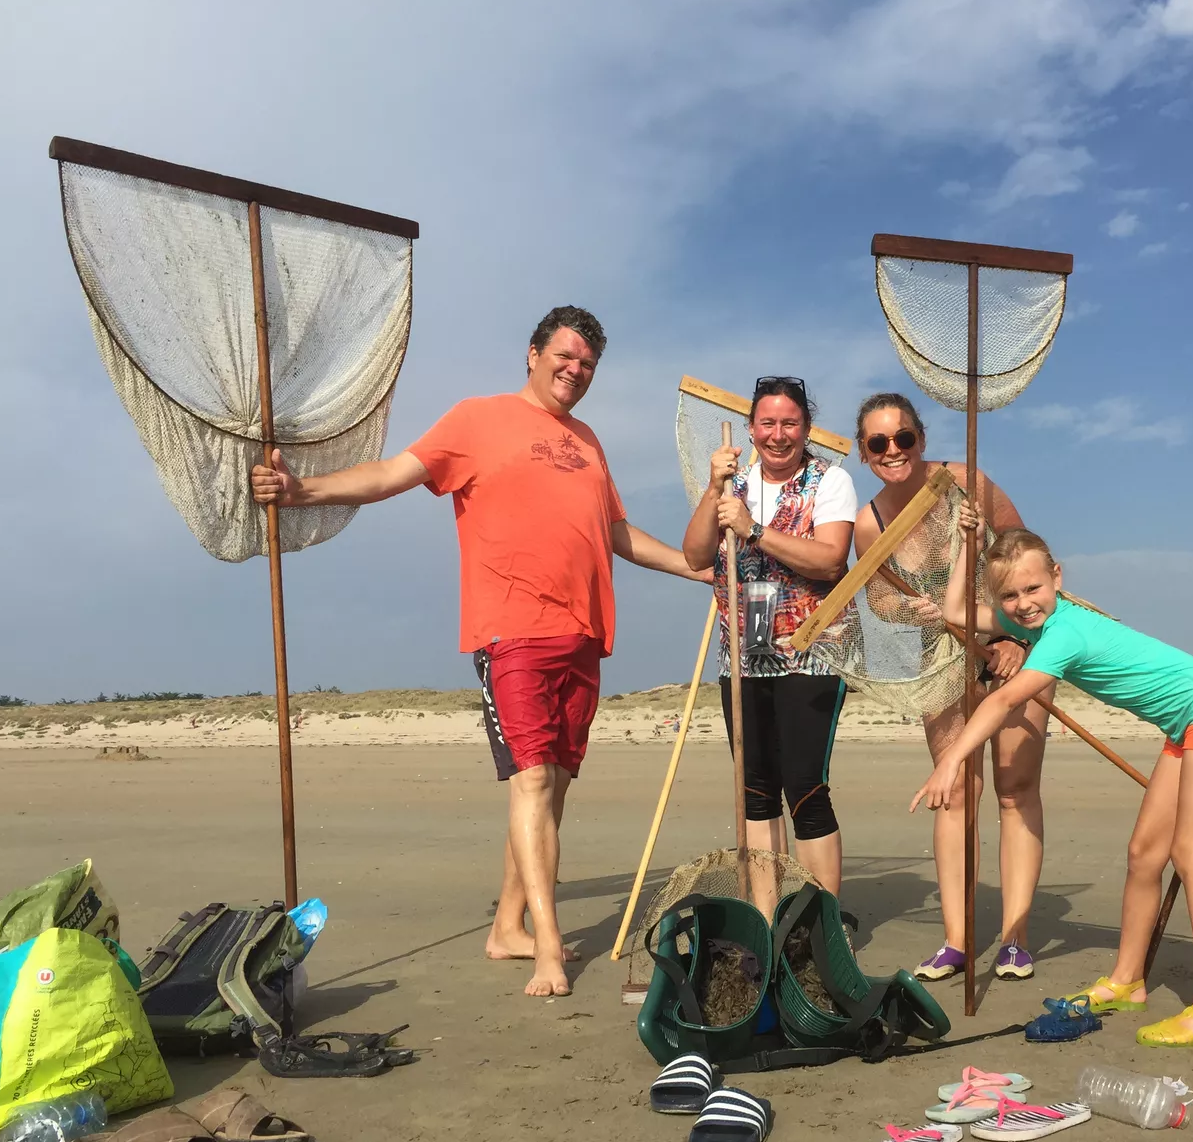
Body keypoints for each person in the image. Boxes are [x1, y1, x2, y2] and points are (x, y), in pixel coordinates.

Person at [249, 306, 708, 998]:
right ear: (531, 354)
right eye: (564, 355)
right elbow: (389, 475)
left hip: (582, 634)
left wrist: (692, 569)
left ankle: (508, 927)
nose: (575, 370)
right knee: (529, 782)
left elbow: (617, 533)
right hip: (511, 628)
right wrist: (301, 490)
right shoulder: (476, 420)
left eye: (587, 364)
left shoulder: (587, 442)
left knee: (551, 788)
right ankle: (550, 950)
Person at [914, 519, 1193, 1048]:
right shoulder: (1035, 624)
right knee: (1145, 853)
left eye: (1034, 588)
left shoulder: (1064, 634)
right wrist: (964, 545)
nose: (1024, 603)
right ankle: (1128, 981)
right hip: (1185, 726)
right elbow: (958, 613)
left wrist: (950, 761)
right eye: (1010, 596)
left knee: (1192, 856)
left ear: (1057, 576)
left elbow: (1003, 698)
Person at [853, 392, 1046, 982]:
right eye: (878, 443)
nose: (893, 451)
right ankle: (958, 940)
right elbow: (879, 598)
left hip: (1011, 646)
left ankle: (1015, 937)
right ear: (863, 453)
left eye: (903, 438)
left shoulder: (966, 481)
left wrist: (1019, 641)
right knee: (956, 790)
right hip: (940, 660)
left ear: (922, 439)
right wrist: (914, 609)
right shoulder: (871, 522)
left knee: (1015, 788)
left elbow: (1025, 555)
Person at [682, 377, 856, 920]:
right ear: (752, 428)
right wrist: (715, 495)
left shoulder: (831, 481)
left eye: (790, 424)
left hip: (813, 651)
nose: (778, 435)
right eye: (767, 424)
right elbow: (694, 556)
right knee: (754, 789)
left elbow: (830, 560)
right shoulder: (734, 484)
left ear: (806, 427)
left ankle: (820, 923)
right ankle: (765, 916)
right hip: (745, 656)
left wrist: (753, 529)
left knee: (803, 784)